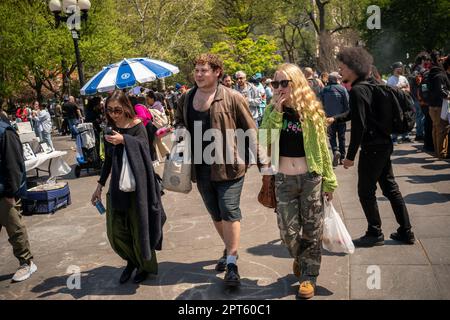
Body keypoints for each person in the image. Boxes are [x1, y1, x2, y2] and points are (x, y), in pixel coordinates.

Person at [175, 53, 266, 287]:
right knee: (215, 213)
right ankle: (229, 248)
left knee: (229, 209)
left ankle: (232, 263)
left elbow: (251, 128)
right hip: (200, 166)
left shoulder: (233, 97)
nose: (198, 74)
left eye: (203, 70)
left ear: (217, 72)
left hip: (230, 166)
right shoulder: (186, 98)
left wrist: (263, 161)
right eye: (196, 70)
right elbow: (180, 121)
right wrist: (177, 132)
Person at [260, 63, 337, 299]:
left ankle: (308, 277)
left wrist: (329, 180)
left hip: (311, 178)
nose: (280, 87)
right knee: (288, 231)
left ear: (297, 84)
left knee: (313, 230)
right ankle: (300, 259)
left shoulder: (311, 110)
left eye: (285, 83)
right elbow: (264, 140)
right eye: (276, 83)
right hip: (283, 180)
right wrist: (276, 112)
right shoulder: (271, 111)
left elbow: (323, 148)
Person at [336, 47, 415, 247]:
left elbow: (359, 125)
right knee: (390, 188)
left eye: (343, 66)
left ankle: (375, 232)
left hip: (372, 147)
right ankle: (406, 231)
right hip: (384, 143)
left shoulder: (358, 90)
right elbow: (357, 114)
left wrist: (350, 156)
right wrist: (334, 119)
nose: (340, 70)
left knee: (366, 191)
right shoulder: (373, 85)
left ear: (354, 68)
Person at [90, 90, 166, 284]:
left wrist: (124, 140)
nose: (114, 114)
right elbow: (108, 160)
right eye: (109, 110)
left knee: (140, 228)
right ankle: (131, 260)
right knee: (116, 231)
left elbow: (145, 150)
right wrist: (100, 185)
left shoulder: (137, 126)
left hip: (138, 187)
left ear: (126, 107)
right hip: (117, 186)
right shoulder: (109, 129)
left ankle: (144, 265)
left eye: (117, 110)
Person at [0, 117, 37, 282]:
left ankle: (26, 262)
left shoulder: (5, 131)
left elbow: (14, 164)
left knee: (15, 228)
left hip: (5, 194)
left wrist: (10, 192)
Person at [321, 71, 350, 167]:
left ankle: (335, 151)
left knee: (332, 137)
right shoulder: (342, 89)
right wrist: (346, 115)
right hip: (340, 118)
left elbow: (320, 104)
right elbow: (347, 103)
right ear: (337, 80)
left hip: (328, 118)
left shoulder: (324, 90)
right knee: (341, 137)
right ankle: (342, 157)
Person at [427, 51, 450, 159]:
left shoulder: (431, 74)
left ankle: (438, 152)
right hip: (439, 106)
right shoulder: (440, 75)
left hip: (432, 106)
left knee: (436, 128)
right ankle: (441, 153)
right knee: (442, 129)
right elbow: (442, 91)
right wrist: (448, 95)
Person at [387, 61, 411, 144]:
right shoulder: (391, 79)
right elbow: (390, 92)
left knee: (405, 118)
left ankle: (405, 136)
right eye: (399, 68)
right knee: (396, 119)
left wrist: (403, 89)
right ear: (395, 69)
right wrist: (401, 88)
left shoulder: (403, 78)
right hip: (395, 103)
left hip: (404, 102)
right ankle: (394, 138)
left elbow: (408, 89)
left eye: (401, 68)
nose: (401, 69)